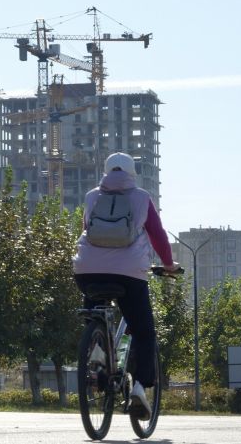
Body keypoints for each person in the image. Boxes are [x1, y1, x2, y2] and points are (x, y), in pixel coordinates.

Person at [72, 152, 179, 420]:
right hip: (130, 274)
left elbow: (88, 229)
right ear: (132, 173)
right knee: (143, 332)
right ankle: (139, 389)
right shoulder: (142, 197)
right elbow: (157, 234)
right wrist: (167, 264)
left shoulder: (91, 196)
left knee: (94, 311)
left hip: (87, 270)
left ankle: (96, 349)